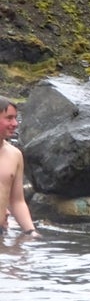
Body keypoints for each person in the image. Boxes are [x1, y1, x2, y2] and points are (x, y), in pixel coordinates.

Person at [0, 96, 39, 238]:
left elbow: (17, 201)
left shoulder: (15, 155)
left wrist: (30, 231)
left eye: (15, 118)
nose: (15, 123)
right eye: (9, 118)